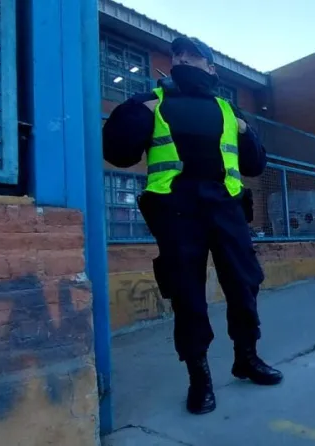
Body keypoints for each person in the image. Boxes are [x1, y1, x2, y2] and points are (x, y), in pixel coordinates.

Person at [102, 36, 282, 415]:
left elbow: (255, 166)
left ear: (211, 69)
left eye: (194, 56)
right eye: (178, 55)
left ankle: (246, 357)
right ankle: (199, 379)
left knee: (245, 283)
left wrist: (247, 131)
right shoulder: (151, 102)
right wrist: (138, 113)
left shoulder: (229, 111)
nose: (184, 60)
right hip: (177, 211)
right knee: (188, 295)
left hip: (227, 209)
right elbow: (117, 153)